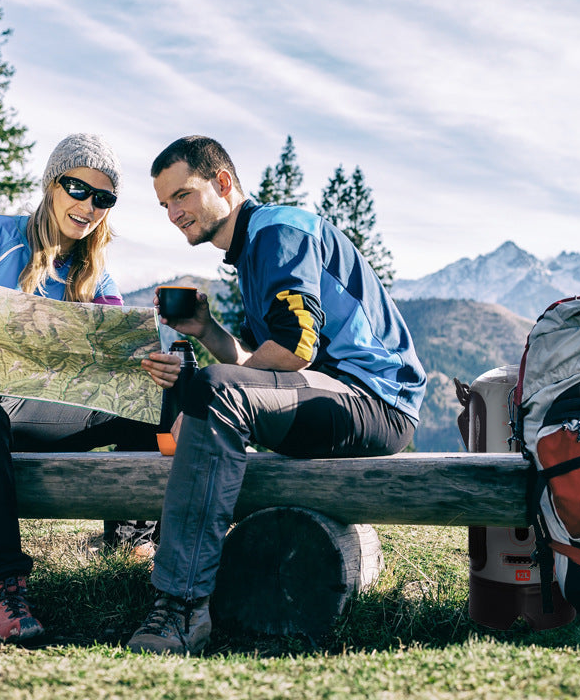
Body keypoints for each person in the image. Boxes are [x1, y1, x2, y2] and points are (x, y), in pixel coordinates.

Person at [127, 135, 427, 655]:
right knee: (207, 387)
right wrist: (207, 330)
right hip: (334, 395)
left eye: (183, 195)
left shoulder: (277, 234)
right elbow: (264, 370)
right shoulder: (253, 247)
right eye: (164, 204)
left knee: (209, 390)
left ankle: (179, 608)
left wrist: (203, 402)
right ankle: (179, 589)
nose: (173, 213)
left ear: (223, 183)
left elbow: (294, 348)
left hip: (376, 401)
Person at [0, 133, 175, 644]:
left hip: (16, 410)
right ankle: (3, 589)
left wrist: (148, 361)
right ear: (51, 184)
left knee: (144, 405)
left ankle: (133, 547)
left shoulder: (95, 275)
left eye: (103, 198)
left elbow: (109, 372)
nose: (89, 206)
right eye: (78, 188)